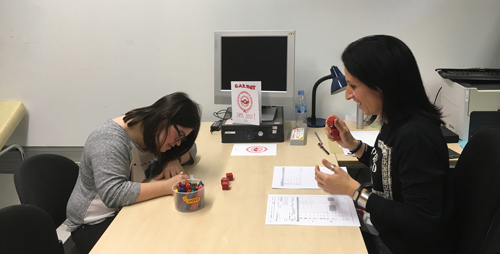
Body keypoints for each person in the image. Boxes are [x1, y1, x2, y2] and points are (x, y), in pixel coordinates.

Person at [314, 35, 452, 254]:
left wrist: (354, 191)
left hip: (398, 246)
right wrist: (352, 145)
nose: (348, 95)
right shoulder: (393, 120)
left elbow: (423, 222)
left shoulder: (416, 136)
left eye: (353, 86)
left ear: (382, 86)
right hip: (387, 232)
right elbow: (388, 166)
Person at [66, 92, 201, 253]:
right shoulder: (109, 140)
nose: (178, 143)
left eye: (183, 138)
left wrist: (173, 160)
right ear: (164, 119)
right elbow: (113, 194)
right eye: (179, 135)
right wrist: (168, 186)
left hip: (128, 209)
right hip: (93, 222)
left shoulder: (156, 133)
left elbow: (191, 149)